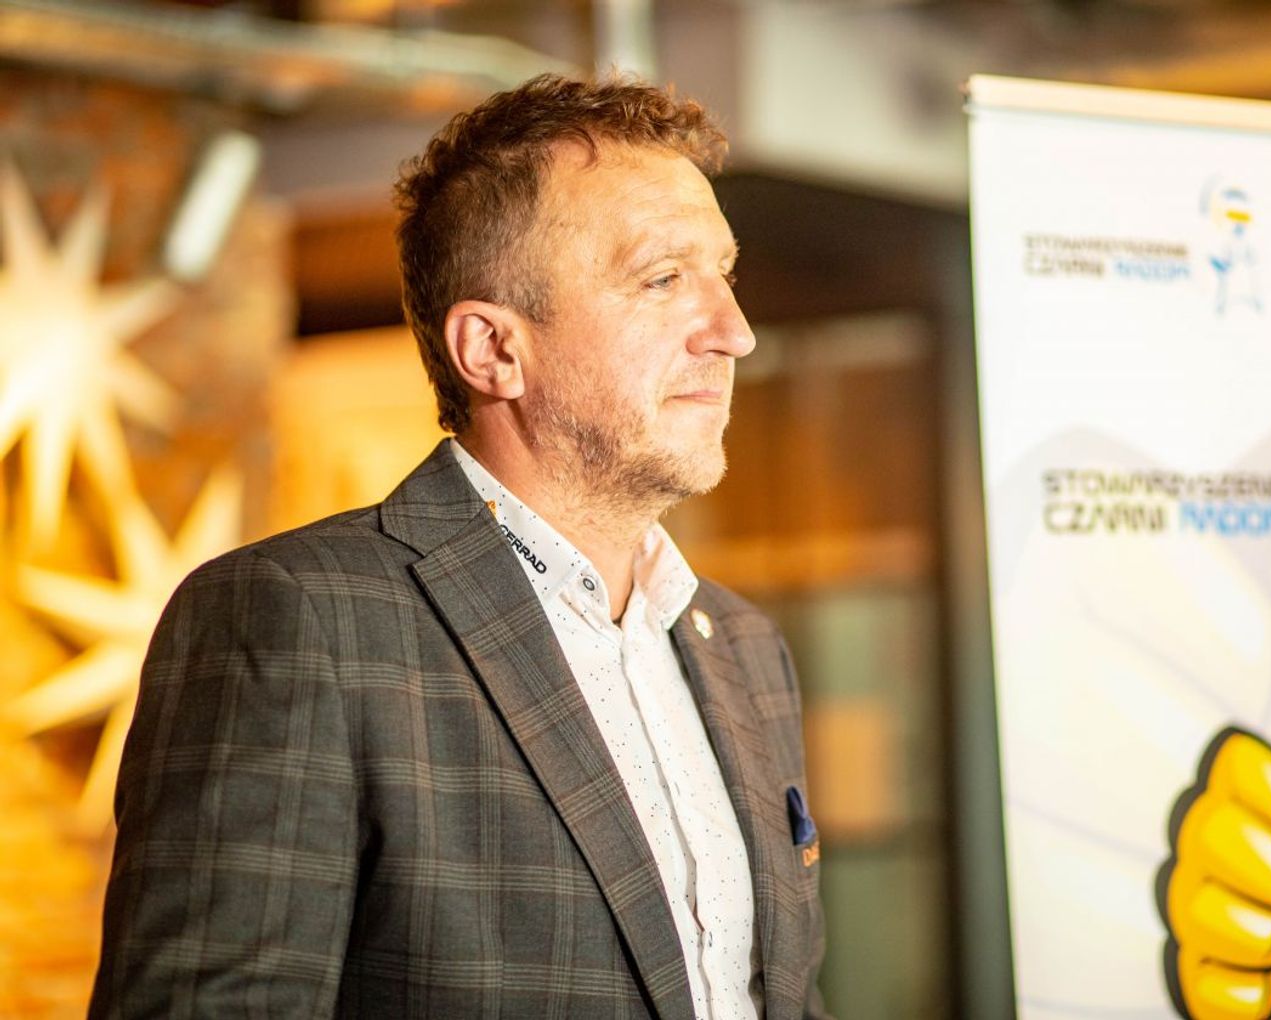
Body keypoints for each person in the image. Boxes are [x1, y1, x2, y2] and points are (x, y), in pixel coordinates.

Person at [89, 74, 829, 1020]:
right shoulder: (295, 619)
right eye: (662, 279)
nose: (735, 332)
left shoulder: (746, 648)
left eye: (724, 274)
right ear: (492, 350)